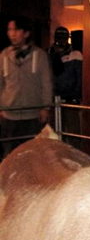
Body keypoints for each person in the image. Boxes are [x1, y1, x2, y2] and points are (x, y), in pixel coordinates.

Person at [0, 16, 53, 157]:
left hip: (32, 113)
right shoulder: (4, 55)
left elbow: (46, 83)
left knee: (32, 154)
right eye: (10, 29)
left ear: (26, 33)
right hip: (9, 114)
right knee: (9, 154)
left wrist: (46, 107)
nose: (12, 33)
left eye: (16, 29)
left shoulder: (39, 55)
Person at [48, 26, 83, 104]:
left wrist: (75, 96)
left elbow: (79, 78)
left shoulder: (75, 54)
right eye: (58, 37)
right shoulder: (48, 53)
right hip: (52, 96)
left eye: (63, 38)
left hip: (70, 98)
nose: (60, 40)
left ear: (67, 38)